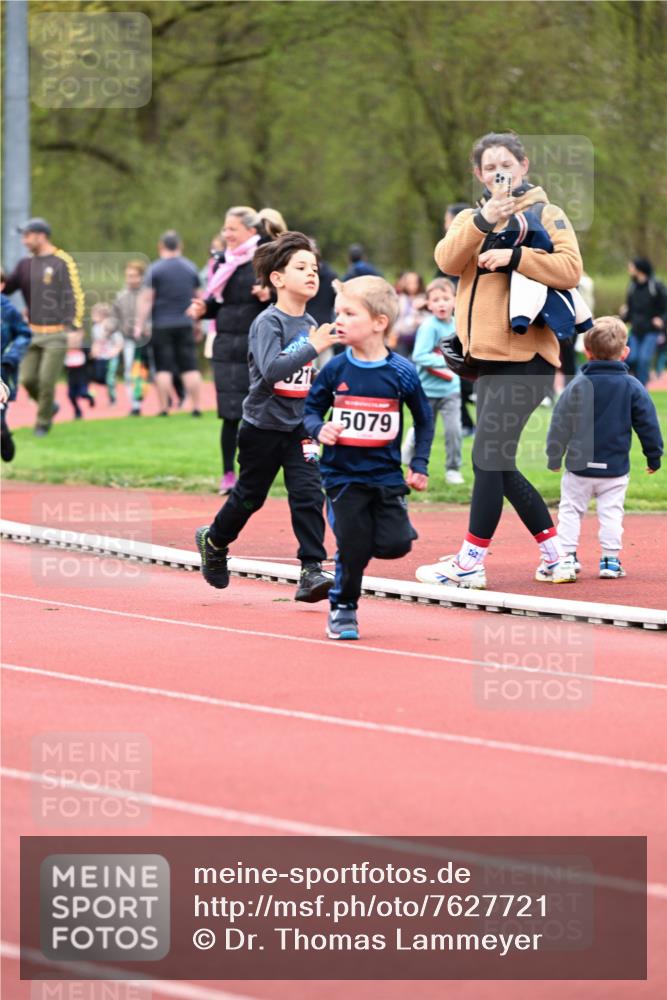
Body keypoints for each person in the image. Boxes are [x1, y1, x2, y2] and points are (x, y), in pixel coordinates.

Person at [416, 130, 584, 590]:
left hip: (526, 355)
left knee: (488, 456)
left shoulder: (546, 213)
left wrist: (515, 255)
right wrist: (483, 222)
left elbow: (570, 270)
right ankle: (556, 556)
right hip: (484, 359)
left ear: (524, 166)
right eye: (489, 167)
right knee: (497, 461)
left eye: (505, 164)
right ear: (478, 174)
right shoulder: (472, 217)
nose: (498, 173)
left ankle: (470, 562)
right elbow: (447, 261)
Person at [195, 231, 339, 603]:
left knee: (308, 493)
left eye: (315, 268)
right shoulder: (267, 323)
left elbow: (308, 376)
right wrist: (313, 345)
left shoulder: (310, 322)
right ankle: (214, 540)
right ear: (277, 278)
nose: (312, 274)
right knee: (249, 497)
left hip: (299, 429)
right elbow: (272, 370)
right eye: (301, 267)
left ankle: (311, 569)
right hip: (261, 427)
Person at [304, 276, 433, 640]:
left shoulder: (402, 373)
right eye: (337, 313)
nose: (338, 321)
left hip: (386, 475)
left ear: (379, 322)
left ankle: (383, 527)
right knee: (354, 545)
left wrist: (419, 464)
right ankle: (343, 608)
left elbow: (424, 420)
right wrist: (319, 430)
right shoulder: (334, 369)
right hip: (341, 475)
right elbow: (310, 411)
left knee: (396, 545)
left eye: (349, 313)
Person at [546, 316, 662, 578]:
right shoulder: (632, 386)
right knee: (611, 513)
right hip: (615, 468)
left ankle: (566, 557)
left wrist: (554, 456)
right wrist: (653, 456)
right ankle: (610, 561)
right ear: (625, 352)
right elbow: (648, 424)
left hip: (579, 466)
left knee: (571, 510)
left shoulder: (576, 385)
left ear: (586, 352)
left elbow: (560, 423)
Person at [188, 207, 272, 494]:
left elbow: (285, 299)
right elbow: (216, 302)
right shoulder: (221, 261)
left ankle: (254, 473)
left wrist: (268, 295)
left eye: (232, 229)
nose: (227, 234)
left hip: (255, 345)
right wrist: (203, 308)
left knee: (255, 412)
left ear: (251, 231)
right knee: (229, 413)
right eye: (225, 229)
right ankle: (228, 474)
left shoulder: (265, 259)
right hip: (225, 344)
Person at [3, 217, 84, 436]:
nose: (24, 240)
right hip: (32, 332)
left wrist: (74, 327)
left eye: (27, 235)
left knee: (47, 381)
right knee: (27, 379)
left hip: (56, 333)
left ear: (41, 235)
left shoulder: (61, 261)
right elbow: (7, 287)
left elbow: (72, 295)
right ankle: (50, 407)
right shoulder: (24, 265)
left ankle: (42, 424)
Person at [134, 230, 203, 416]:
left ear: (161, 247)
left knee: (163, 367)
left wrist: (139, 324)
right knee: (190, 366)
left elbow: (147, 299)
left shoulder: (155, 269)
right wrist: (198, 323)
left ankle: (164, 408)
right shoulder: (190, 267)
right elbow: (199, 297)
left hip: (161, 324)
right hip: (185, 322)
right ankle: (196, 407)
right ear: (180, 246)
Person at [403, 278, 464, 485]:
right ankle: (410, 459)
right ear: (428, 305)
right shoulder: (429, 327)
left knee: (454, 431)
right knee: (422, 428)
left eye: (446, 298)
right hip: (427, 390)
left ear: (454, 300)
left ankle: (453, 469)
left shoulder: (459, 324)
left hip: (451, 390)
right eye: (436, 300)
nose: (441, 303)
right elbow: (419, 356)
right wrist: (445, 362)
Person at [620, 257, 667, 387]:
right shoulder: (632, 287)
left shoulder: (656, 286)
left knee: (643, 359)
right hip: (636, 330)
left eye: (631, 266)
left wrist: (661, 319)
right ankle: (634, 385)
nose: (629, 269)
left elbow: (665, 308)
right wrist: (622, 317)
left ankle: (641, 390)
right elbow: (630, 310)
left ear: (639, 269)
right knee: (632, 358)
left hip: (651, 331)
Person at [1, 270, 32, 461]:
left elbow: (24, 334)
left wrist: (10, 357)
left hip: (3, 370)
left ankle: (3, 435)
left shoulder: (8, 310)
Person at [111, 260, 148, 415]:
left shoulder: (148, 294)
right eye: (128, 276)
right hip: (129, 339)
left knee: (151, 372)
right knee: (129, 372)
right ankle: (135, 406)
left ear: (141, 277)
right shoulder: (121, 296)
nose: (131, 279)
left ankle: (168, 402)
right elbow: (115, 318)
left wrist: (149, 328)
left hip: (148, 339)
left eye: (134, 276)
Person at [89, 303, 123, 404]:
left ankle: (112, 398)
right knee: (98, 377)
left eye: (94, 314)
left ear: (102, 315)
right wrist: (93, 351)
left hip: (111, 358)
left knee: (109, 379)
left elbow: (119, 343)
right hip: (101, 357)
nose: (92, 317)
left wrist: (115, 351)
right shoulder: (95, 328)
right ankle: (92, 396)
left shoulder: (111, 327)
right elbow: (96, 342)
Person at [391, 271, 427, 357]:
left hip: (419, 336)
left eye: (415, 282)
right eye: (409, 283)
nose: (412, 285)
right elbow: (397, 318)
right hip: (403, 336)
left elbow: (428, 317)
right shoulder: (401, 298)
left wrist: (419, 320)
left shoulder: (424, 298)